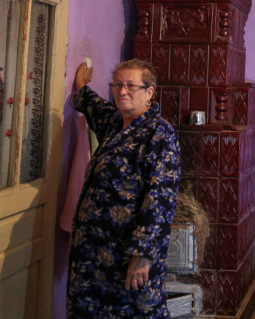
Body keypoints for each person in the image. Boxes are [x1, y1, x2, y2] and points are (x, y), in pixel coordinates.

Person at [68, 58, 181, 317]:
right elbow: (93, 105)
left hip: (127, 256)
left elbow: (160, 199)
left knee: (134, 310)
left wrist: (142, 255)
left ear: (149, 92)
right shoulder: (115, 123)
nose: (122, 91)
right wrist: (81, 85)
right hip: (94, 253)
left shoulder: (159, 134)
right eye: (117, 85)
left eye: (131, 85)